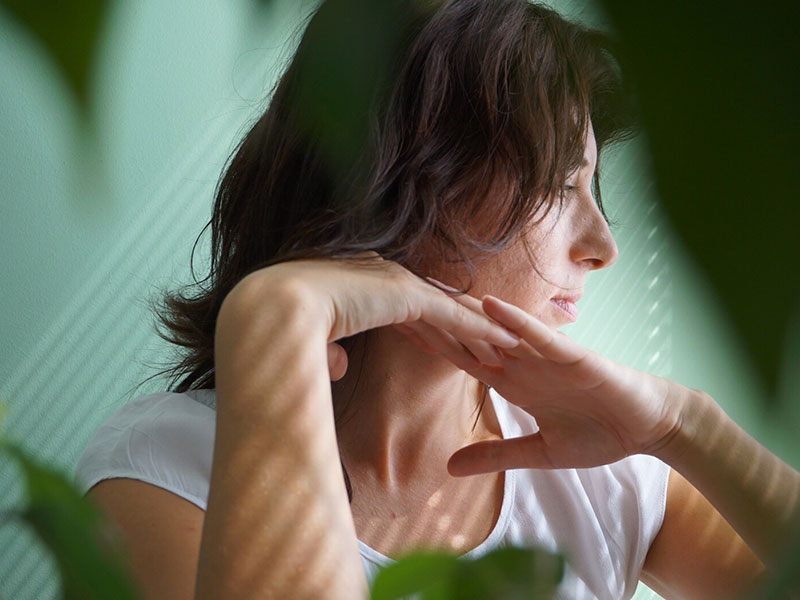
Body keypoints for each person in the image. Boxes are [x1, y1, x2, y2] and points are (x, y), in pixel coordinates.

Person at [74, 0, 799, 598]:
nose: (602, 245)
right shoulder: (163, 466)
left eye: (593, 189)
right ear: (410, 173)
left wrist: (681, 425)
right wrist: (277, 320)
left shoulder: (603, 475)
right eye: (559, 186)